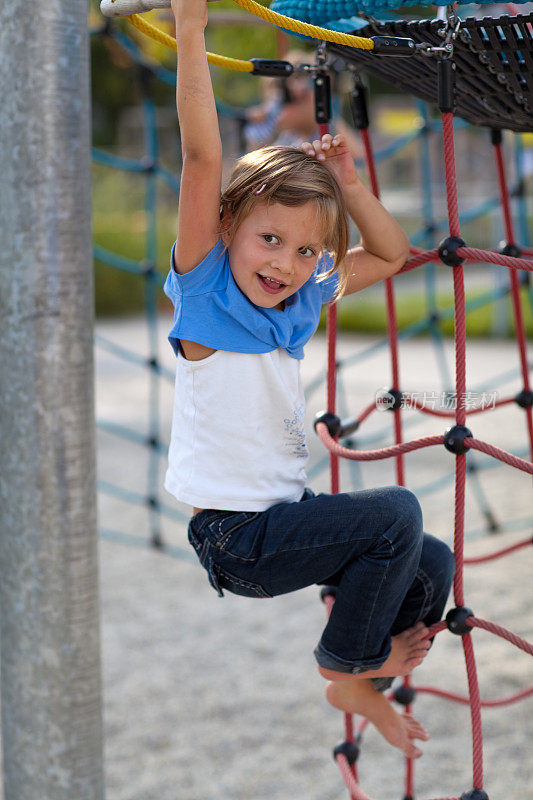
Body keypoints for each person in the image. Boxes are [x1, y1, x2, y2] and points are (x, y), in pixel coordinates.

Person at [165, 0, 455, 761]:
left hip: (282, 523)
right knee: (394, 509)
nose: (283, 264)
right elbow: (202, 160)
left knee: (430, 560)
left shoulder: (295, 302)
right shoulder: (206, 296)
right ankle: (346, 670)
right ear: (225, 226)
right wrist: (190, 29)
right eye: (268, 239)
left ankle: (358, 663)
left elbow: (390, 255)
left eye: (304, 252)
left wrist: (348, 187)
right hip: (237, 537)